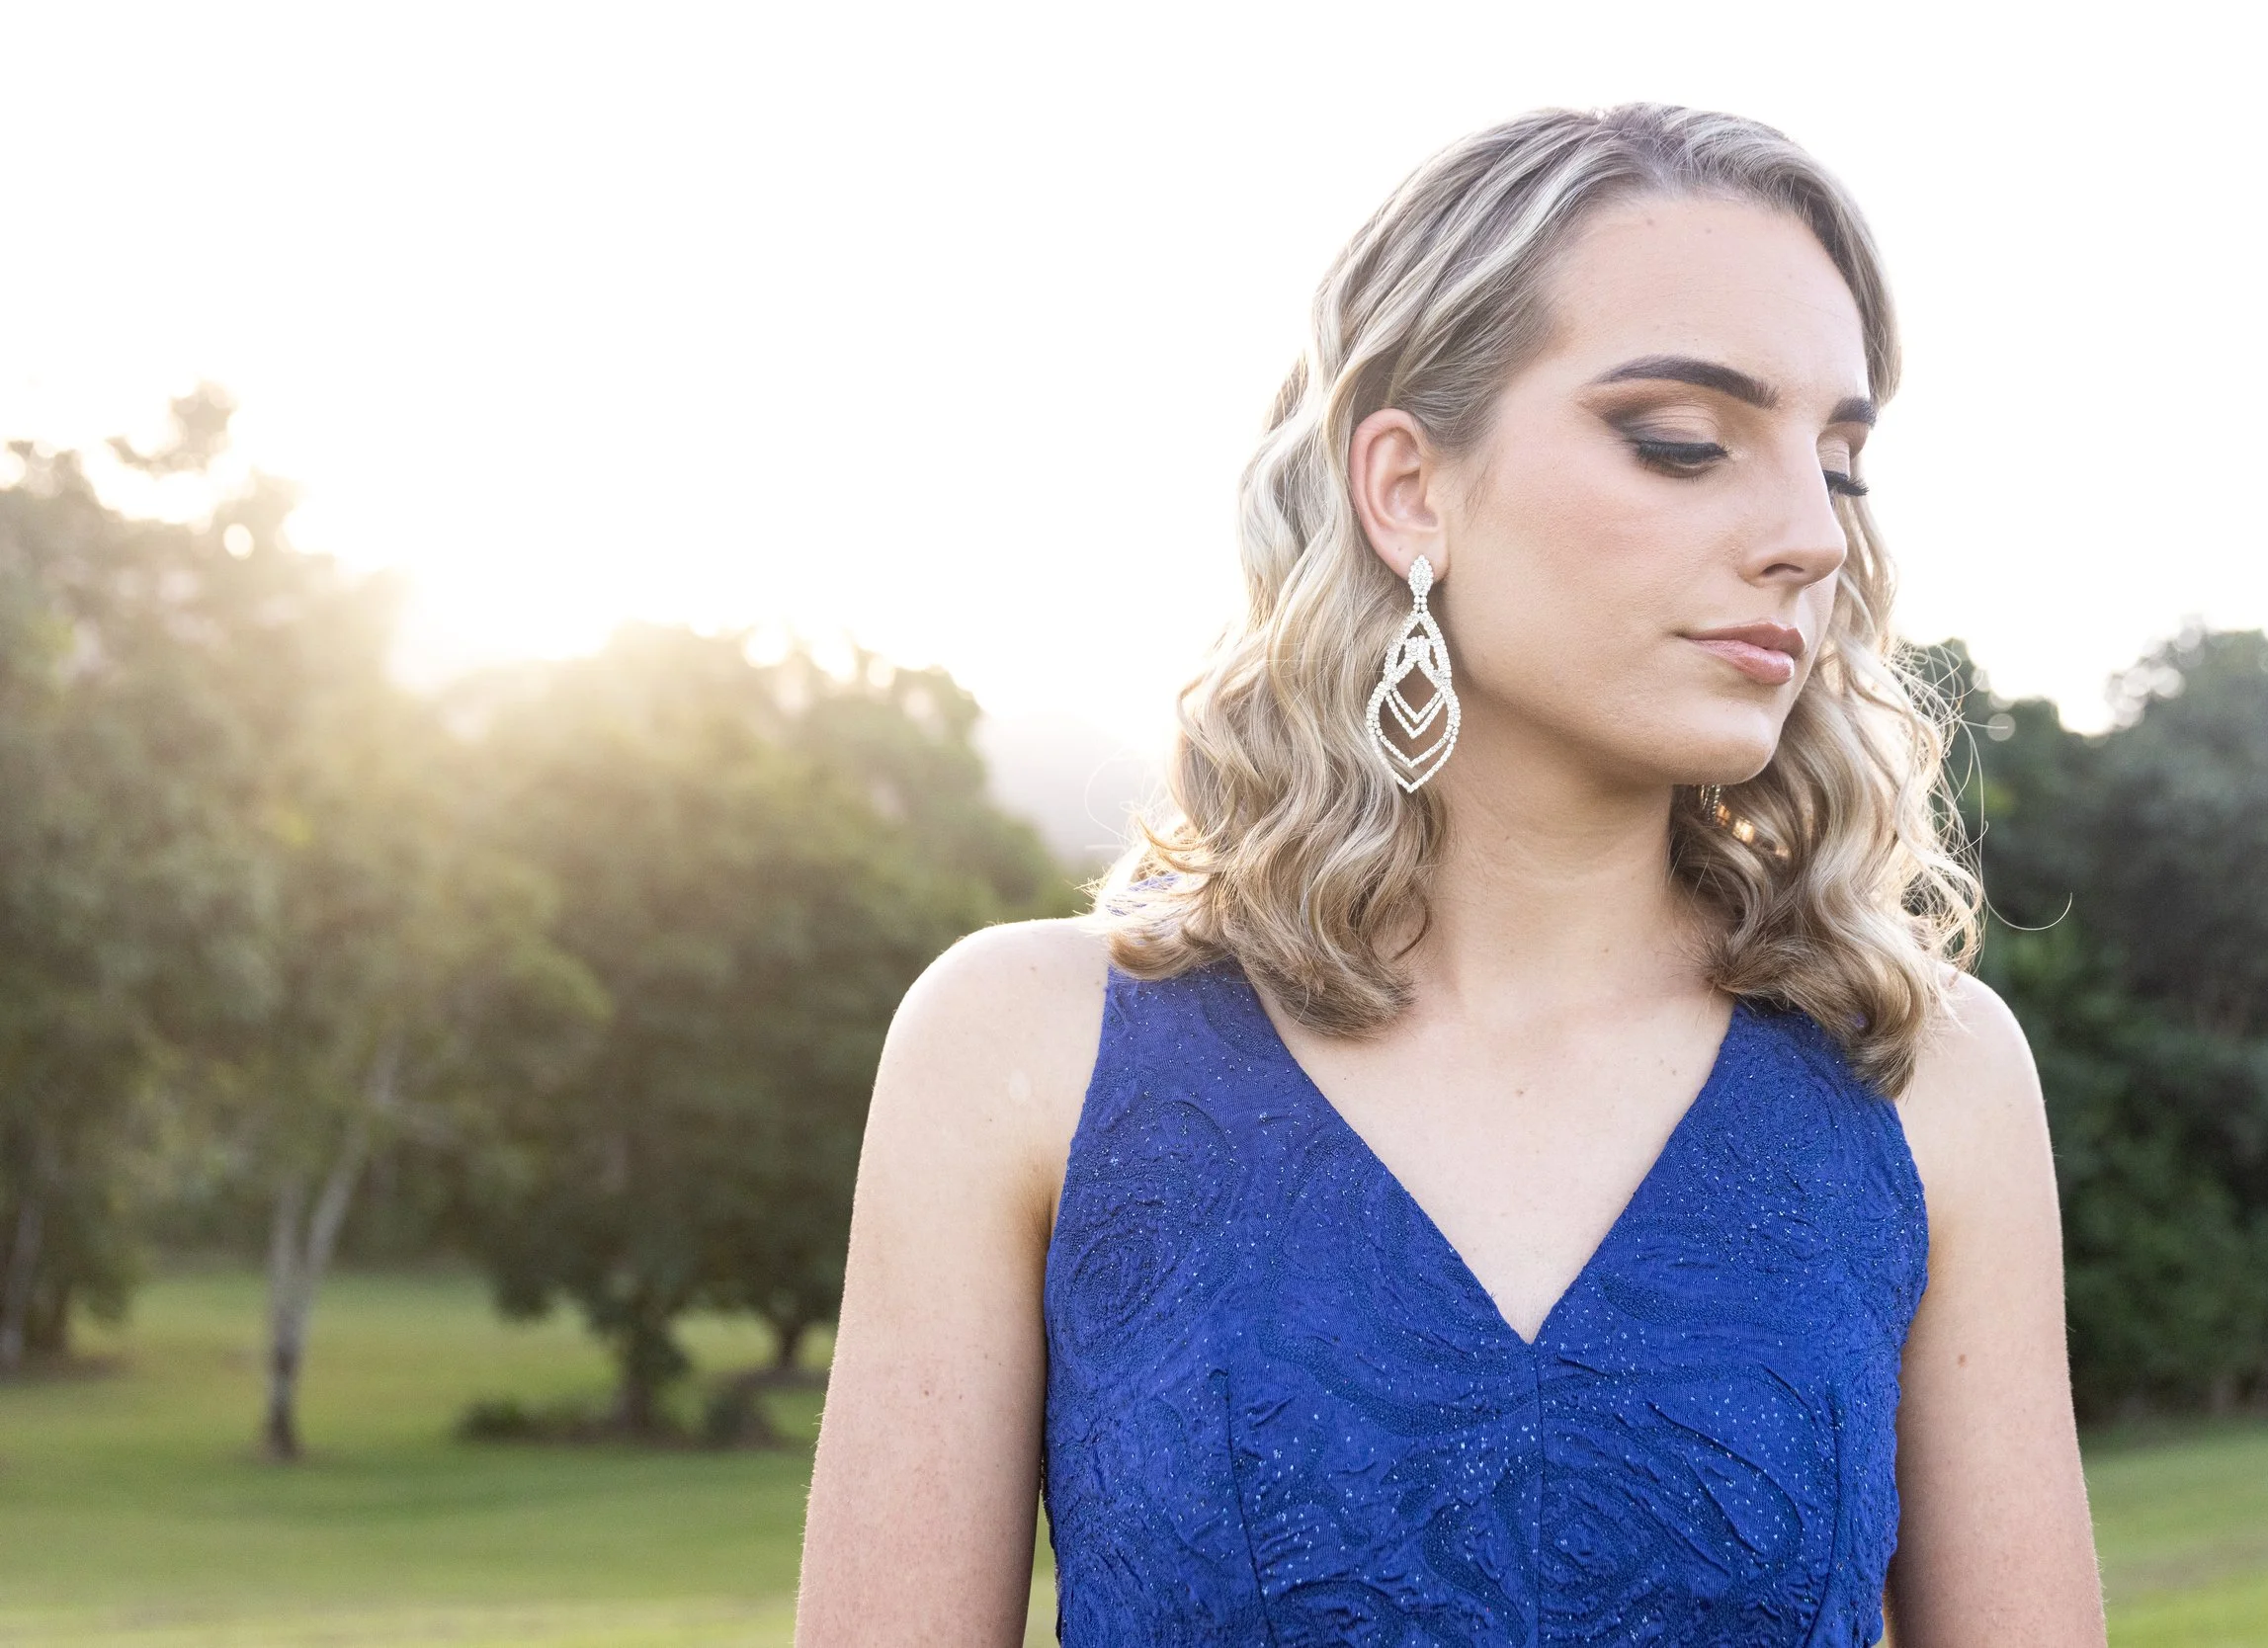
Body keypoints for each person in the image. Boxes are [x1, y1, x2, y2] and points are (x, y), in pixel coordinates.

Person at [797, 103, 2107, 1646]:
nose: (1810, 539)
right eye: (1685, 443)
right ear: (1407, 486)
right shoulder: (1025, 1050)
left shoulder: (1920, 1078)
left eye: (1842, 465)